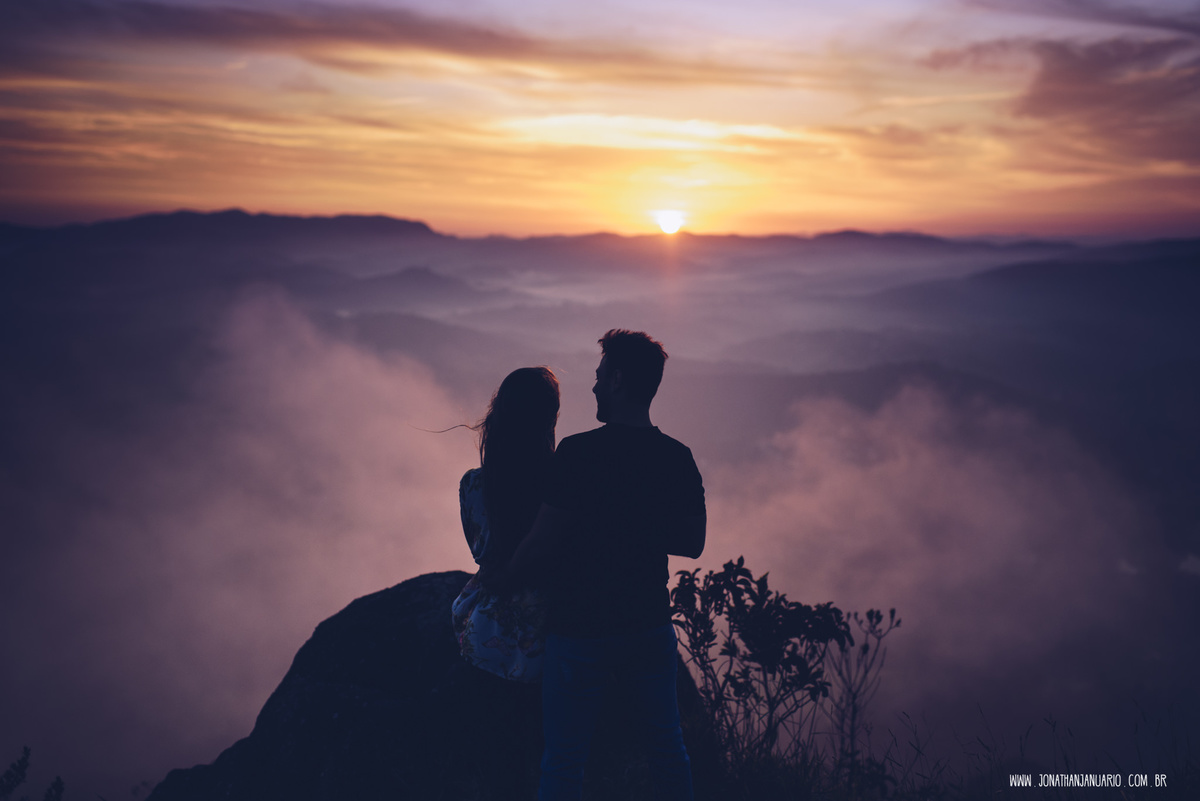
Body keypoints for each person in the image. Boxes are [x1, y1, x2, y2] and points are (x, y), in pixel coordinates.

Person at [500, 329, 706, 801]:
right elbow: (693, 543)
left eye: (597, 376)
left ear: (616, 381)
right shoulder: (677, 457)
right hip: (648, 625)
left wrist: (500, 579)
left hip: (580, 630)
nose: (592, 387)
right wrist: (639, 523)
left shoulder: (577, 453)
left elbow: (540, 542)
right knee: (668, 749)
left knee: (564, 759)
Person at [451, 366, 559, 681]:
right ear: (548, 418)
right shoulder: (563, 482)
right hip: (548, 640)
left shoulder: (474, 484)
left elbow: (480, 550)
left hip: (485, 633)